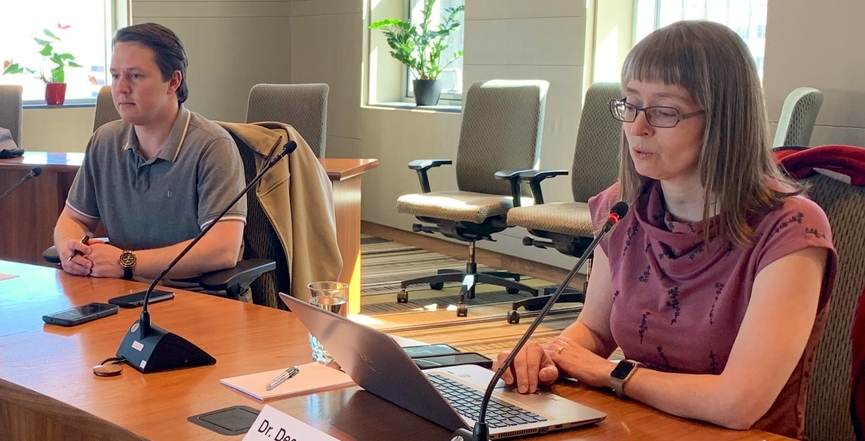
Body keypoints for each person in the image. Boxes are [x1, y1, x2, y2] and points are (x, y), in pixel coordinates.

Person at [495, 20, 836, 439]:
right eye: (631, 105)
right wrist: (545, 355)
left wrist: (612, 374)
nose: (638, 127)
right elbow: (596, 331)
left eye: (664, 111)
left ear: (724, 120)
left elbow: (738, 404)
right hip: (636, 423)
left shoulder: (789, 227)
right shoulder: (622, 207)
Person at [53, 22, 246, 281]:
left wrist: (126, 262)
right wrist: (69, 248)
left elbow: (223, 249)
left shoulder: (213, 146)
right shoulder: (105, 140)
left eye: (135, 76)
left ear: (173, 82)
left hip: (196, 296)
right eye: (115, 75)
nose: (120, 88)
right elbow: (73, 219)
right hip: (119, 290)